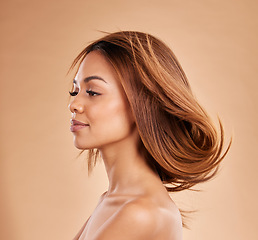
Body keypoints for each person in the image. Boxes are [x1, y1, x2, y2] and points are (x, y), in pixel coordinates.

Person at [68, 31, 230, 240]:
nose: (74, 104)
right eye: (75, 91)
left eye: (93, 92)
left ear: (140, 104)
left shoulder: (141, 213)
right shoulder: (111, 200)